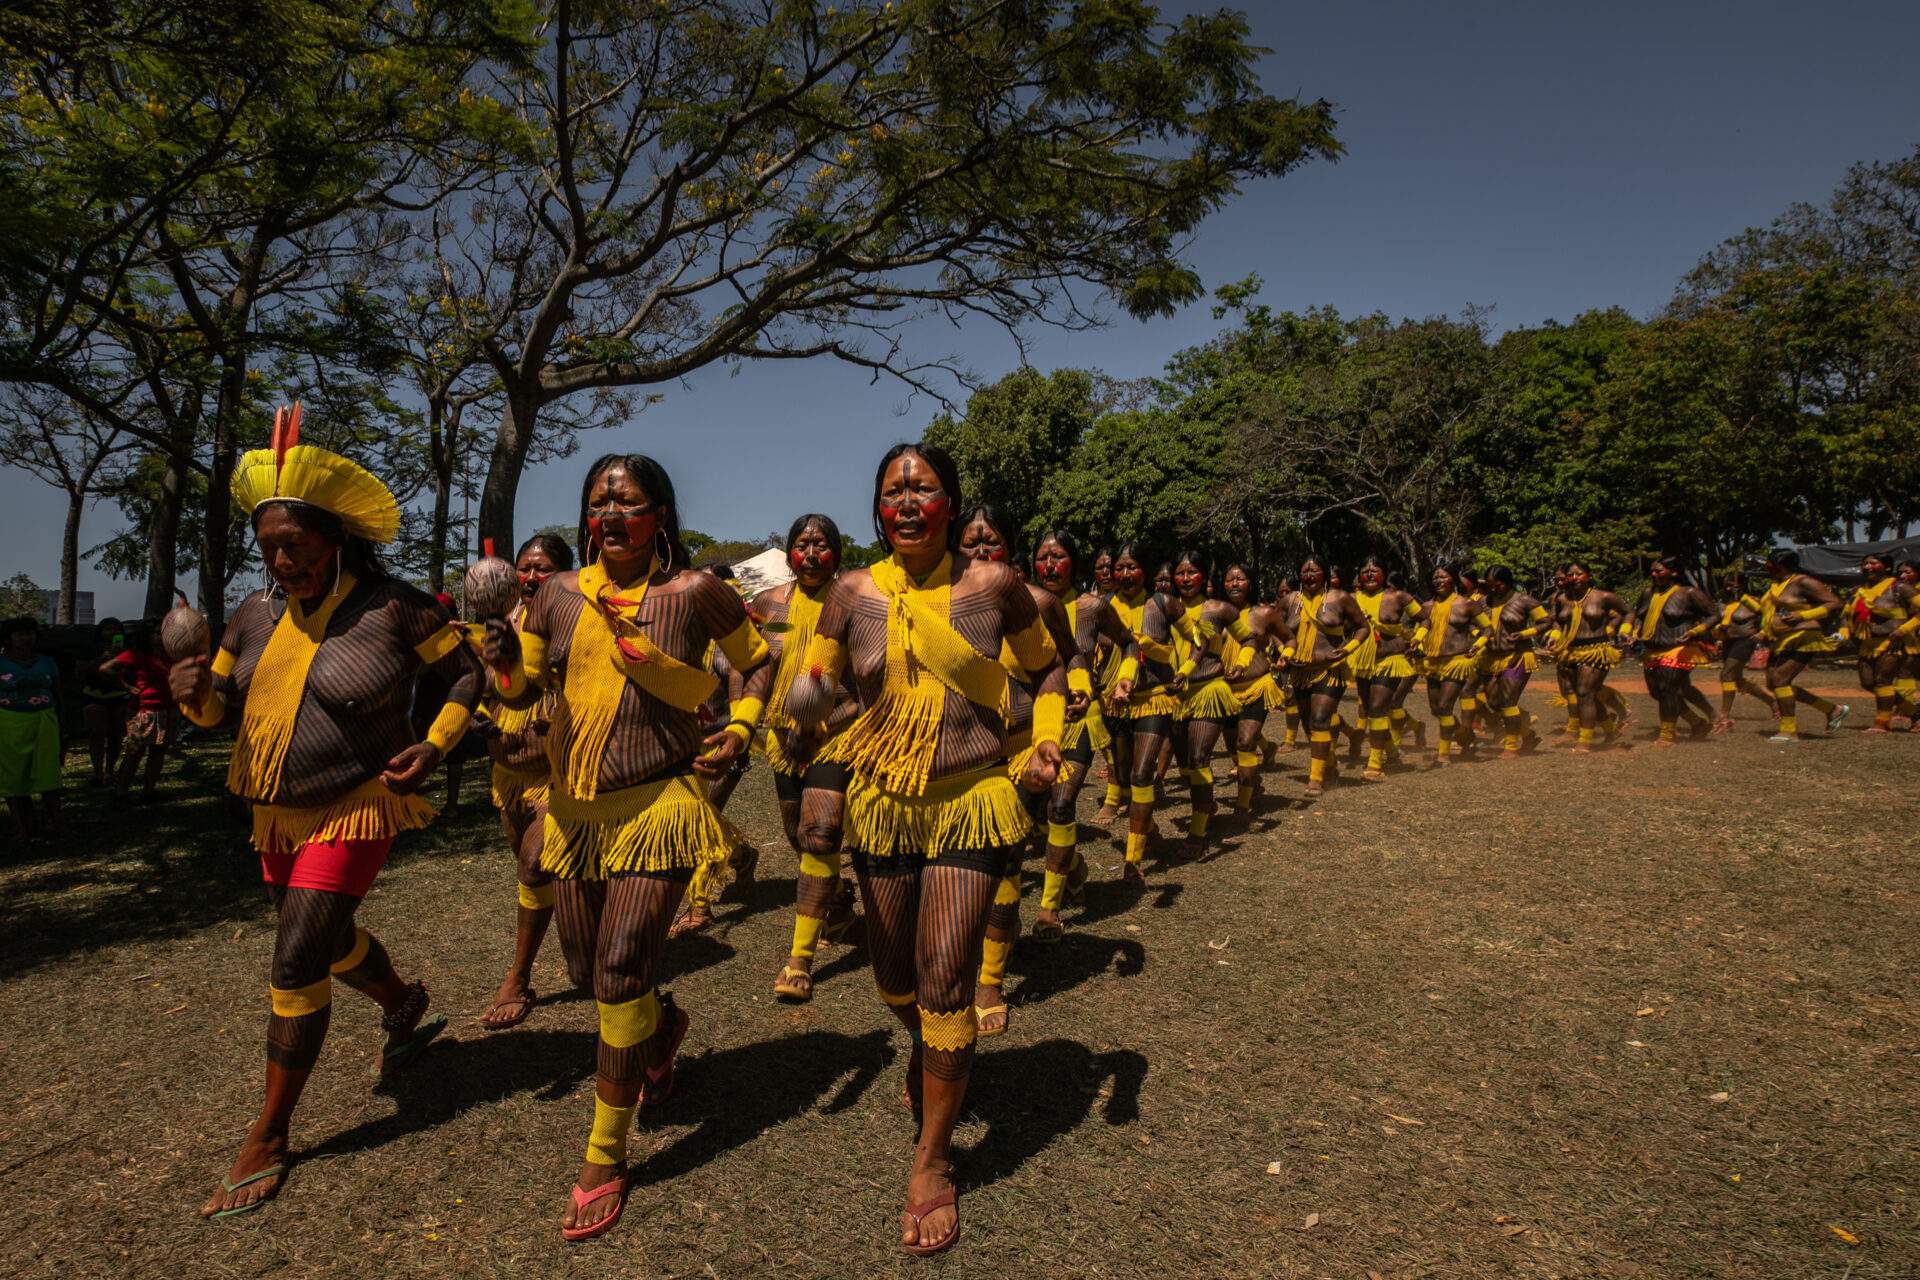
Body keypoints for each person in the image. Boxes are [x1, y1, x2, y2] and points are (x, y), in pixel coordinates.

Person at [172, 409, 479, 1218]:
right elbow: (216, 715)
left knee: (295, 958)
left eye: (297, 548)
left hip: (358, 805)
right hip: (274, 814)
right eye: (269, 549)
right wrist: (195, 695)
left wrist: (436, 747)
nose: (281, 561)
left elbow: (466, 678)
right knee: (324, 937)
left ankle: (270, 1132)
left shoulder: (395, 606)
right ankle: (403, 1005)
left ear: (336, 538)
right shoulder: (251, 613)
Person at [781, 442, 1064, 1255]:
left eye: (925, 489)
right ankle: (928, 1046)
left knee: (945, 977)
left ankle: (933, 1159)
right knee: (895, 978)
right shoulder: (851, 592)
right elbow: (819, 681)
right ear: (878, 509)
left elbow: (1047, 674)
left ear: (951, 504)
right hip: (884, 806)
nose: (908, 501)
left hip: (973, 799)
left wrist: (1044, 742)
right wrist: (788, 719)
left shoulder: (994, 587)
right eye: (894, 490)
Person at [483, 451, 773, 1240]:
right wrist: (503, 667)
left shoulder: (694, 594)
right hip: (575, 814)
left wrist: (741, 726)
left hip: (656, 806)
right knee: (585, 971)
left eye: (630, 504)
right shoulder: (558, 596)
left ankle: (604, 1154)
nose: (612, 516)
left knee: (615, 973)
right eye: (600, 504)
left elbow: (756, 663)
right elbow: (524, 691)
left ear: (661, 517)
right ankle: (661, 1025)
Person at [760, 514, 862, 1002]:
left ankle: (799, 957)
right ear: (788, 554)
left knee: (820, 835)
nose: (812, 553)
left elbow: (871, 685)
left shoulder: (859, 604)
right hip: (782, 740)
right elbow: (754, 668)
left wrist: (822, 723)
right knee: (798, 837)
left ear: (837, 554)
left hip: (835, 736)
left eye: (822, 544)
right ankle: (837, 900)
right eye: (802, 544)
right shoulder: (769, 605)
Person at [472, 534, 572, 1031]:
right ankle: (583, 936)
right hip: (508, 777)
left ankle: (518, 978)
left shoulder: (570, 624)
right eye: (525, 569)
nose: (532, 578)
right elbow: (484, 689)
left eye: (544, 569)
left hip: (557, 777)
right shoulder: (493, 627)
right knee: (533, 871)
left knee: (534, 866)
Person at [1030, 529, 1134, 938]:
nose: (1050, 565)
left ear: (1074, 561)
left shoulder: (1093, 608)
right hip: (1033, 722)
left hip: (1080, 722)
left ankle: (1049, 909)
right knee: (1034, 815)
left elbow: (1128, 644)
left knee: (1060, 806)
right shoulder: (1022, 603)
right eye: (1043, 558)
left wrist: (1125, 678)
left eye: (1058, 557)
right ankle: (1074, 868)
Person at [1103, 542, 1183, 885]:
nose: (1123, 575)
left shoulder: (1162, 603)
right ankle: (1149, 829)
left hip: (1153, 697)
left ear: (1146, 572)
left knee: (1140, 774)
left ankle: (1133, 860)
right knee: (1123, 776)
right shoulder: (1104, 606)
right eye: (1118, 568)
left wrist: (1187, 667)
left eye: (1131, 567)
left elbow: (1200, 635)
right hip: (1116, 700)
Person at [1167, 551, 1241, 856]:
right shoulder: (1164, 607)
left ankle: (1197, 833)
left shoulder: (1218, 609)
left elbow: (1249, 639)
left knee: (1199, 759)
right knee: (1184, 764)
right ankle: (1205, 802)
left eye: (1192, 573)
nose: (1185, 579)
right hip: (1175, 695)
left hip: (1209, 689)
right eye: (1180, 573)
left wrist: (1243, 662)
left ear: (1204, 576)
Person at [1281, 556, 1370, 797]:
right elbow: (1276, 629)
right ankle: (1328, 765)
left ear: (1326, 573)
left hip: (1330, 669)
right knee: (1308, 724)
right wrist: (1283, 651)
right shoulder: (1291, 600)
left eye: (1315, 571)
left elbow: (1363, 627)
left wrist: (1348, 648)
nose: (1309, 576)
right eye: (1305, 571)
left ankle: (1316, 779)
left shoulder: (1340, 598)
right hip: (1299, 671)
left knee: (1320, 720)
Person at [1627, 557, 1720, 747]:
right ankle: (1697, 723)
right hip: (1652, 649)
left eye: (1659, 571)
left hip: (1680, 648)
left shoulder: (1689, 593)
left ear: (1674, 572)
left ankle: (1667, 735)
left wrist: (1696, 631)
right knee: (1657, 692)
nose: (1654, 575)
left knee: (1668, 689)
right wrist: (1634, 633)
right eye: (1652, 571)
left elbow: (1714, 615)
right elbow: (1639, 616)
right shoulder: (1647, 593)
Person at [1757, 548, 1848, 742]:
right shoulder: (1777, 584)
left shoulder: (1804, 582)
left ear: (1783, 565)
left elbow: (1835, 603)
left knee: (1780, 680)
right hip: (1781, 640)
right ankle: (1832, 709)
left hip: (1803, 636)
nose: (1768, 568)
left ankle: (1789, 731)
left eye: (1771, 565)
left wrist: (1803, 616)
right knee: (1773, 683)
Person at [1548, 560, 1633, 754]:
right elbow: (1558, 623)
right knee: (1584, 695)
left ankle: (1584, 742)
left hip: (1596, 650)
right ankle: (1610, 732)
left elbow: (1627, 612)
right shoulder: (1563, 599)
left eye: (1579, 574)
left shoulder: (1603, 597)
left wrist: (1624, 631)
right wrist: (1554, 637)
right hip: (1570, 652)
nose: (1575, 578)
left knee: (1585, 693)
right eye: (1571, 575)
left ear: (1589, 576)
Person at [1349, 556, 1423, 779]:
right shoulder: (1350, 599)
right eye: (1365, 571)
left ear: (1384, 573)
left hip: (1390, 660)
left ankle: (1374, 765)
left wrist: (1417, 638)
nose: (1370, 575)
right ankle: (1392, 753)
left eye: (1375, 570)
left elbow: (1425, 618)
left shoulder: (1399, 597)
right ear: (1359, 576)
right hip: (1362, 661)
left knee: (1379, 709)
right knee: (1371, 711)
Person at [1220, 564, 1285, 804]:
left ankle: (1242, 807)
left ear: (1251, 582)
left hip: (1257, 685)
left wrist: (1285, 656)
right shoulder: (1214, 613)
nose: (1235, 584)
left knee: (1245, 743)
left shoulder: (1264, 613)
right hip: (1225, 690)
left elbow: (1287, 639)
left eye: (1240, 579)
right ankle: (1252, 781)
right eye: (1230, 580)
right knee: (1232, 747)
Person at [1, 615, 70, 841]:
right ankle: (21, 828)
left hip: (44, 720)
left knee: (48, 772)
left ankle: (58, 824)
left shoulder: (47, 662)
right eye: (20, 634)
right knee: (13, 775)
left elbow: (58, 693)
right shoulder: (1, 662)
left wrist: (62, 723)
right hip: (9, 723)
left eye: (30, 633)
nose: (26, 638)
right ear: (8, 638)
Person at [1419, 566, 1492, 764]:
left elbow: (1487, 628)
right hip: (1433, 662)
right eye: (1435, 578)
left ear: (1453, 580)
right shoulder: (1426, 607)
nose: (1439, 581)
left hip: (1457, 661)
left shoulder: (1467, 604)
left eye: (1444, 577)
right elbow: (1419, 630)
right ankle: (1464, 735)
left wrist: (1478, 645)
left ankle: (1443, 754)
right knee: (1436, 708)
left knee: (1444, 705)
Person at [1479, 566, 1550, 759]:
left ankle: (1511, 746)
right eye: (1490, 585)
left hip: (1517, 656)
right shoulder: (1483, 601)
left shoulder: (1524, 601)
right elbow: (1472, 622)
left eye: (1498, 585)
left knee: (1508, 701)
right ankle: (1528, 735)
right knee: (1494, 703)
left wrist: (1525, 634)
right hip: (1490, 659)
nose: (1493, 589)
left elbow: (1546, 622)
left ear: (1508, 582)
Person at [1846, 552, 1919, 734]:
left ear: (1887, 567)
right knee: (1868, 682)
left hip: (1894, 642)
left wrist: (1904, 629)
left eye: (1873, 563)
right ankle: (1916, 713)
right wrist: (1842, 632)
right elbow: (1845, 616)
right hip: (1868, 644)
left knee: (1881, 680)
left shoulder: (1900, 587)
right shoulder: (1857, 591)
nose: (1868, 567)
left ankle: (1882, 723)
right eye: (1865, 563)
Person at [103, 623, 176, 803]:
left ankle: (148, 791)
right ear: (148, 635)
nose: (161, 636)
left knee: (159, 751)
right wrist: (127, 687)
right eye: (157, 632)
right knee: (135, 751)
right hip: (143, 708)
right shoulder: (135, 654)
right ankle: (122, 794)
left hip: (167, 707)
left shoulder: (170, 656)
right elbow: (106, 668)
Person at [1713, 572, 1772, 726]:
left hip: (1745, 641)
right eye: (1725, 585)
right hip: (1728, 642)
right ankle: (1772, 703)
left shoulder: (1754, 601)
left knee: (1726, 674)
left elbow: (1764, 613)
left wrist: (1743, 597)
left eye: (1731, 585)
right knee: (1737, 680)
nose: (1727, 588)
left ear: (1742, 585)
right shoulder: (1723, 602)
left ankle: (1724, 714)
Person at [77, 617, 130, 787]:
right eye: (108, 629)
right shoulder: (89, 649)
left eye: (116, 629)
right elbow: (80, 672)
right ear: (100, 632)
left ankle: (109, 771)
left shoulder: (127, 651)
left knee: (116, 734)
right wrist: (102, 658)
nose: (113, 633)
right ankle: (97, 773)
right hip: (94, 694)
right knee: (97, 732)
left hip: (118, 694)